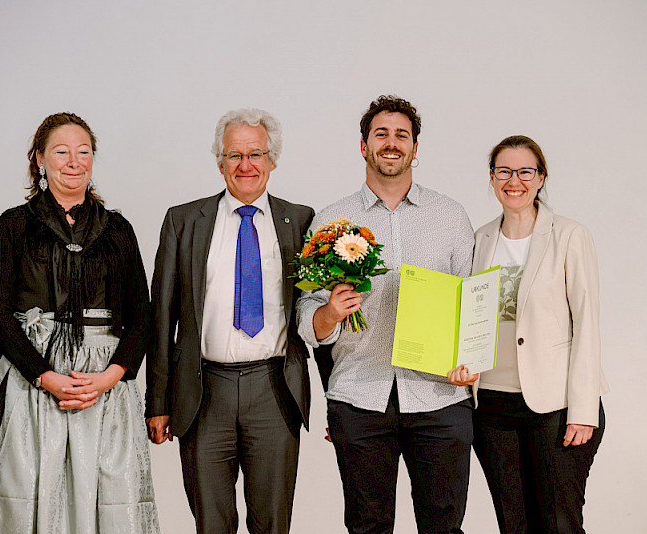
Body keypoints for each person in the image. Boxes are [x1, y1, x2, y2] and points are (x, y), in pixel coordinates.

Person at [297, 95, 476, 534]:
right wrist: (329, 313)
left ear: (416, 148)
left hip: (440, 397)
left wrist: (470, 362)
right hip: (360, 396)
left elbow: (473, 305)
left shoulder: (451, 216)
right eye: (381, 134)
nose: (391, 143)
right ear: (364, 147)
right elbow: (306, 310)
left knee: (443, 527)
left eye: (402, 135)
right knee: (367, 527)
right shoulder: (331, 220)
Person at [0, 112, 159, 533]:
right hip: (32, 380)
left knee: (108, 497)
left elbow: (142, 315)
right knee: (29, 492)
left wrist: (111, 376)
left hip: (105, 387)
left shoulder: (117, 229)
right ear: (40, 159)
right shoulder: (14, 226)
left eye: (84, 151)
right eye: (61, 151)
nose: (73, 161)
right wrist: (44, 376)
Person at [145, 108, 314, 534]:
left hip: (274, 390)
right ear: (219, 162)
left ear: (272, 160)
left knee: (272, 523)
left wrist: (339, 399)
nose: (246, 165)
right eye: (234, 155)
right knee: (211, 522)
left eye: (256, 154)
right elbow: (161, 318)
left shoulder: (302, 221)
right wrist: (158, 402)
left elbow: (316, 312)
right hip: (204, 393)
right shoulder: (183, 222)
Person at [448, 135, 609, 533]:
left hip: (555, 405)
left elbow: (588, 323)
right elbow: (468, 316)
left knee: (558, 523)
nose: (514, 180)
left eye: (525, 171)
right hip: (492, 406)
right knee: (513, 524)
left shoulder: (570, 235)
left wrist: (583, 410)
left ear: (541, 178)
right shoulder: (480, 238)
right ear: (492, 177)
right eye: (504, 171)